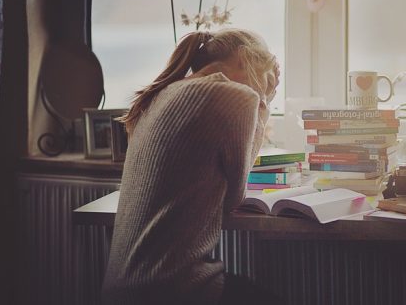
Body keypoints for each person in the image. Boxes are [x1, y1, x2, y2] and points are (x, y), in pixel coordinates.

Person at [101, 28, 284, 305]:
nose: (270, 80)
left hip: (121, 291)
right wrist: (263, 102)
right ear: (247, 58)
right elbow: (235, 198)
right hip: (172, 290)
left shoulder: (165, 93)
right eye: (268, 69)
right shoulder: (233, 95)